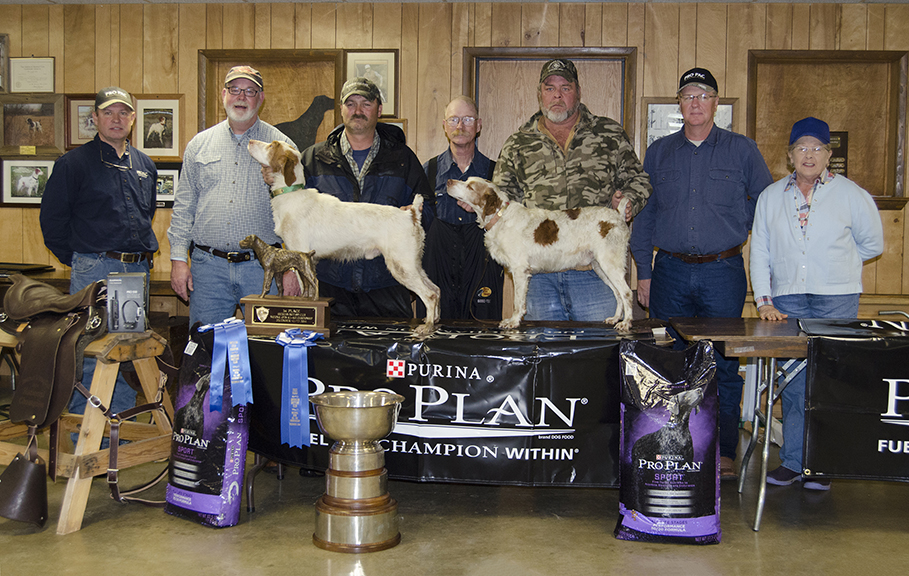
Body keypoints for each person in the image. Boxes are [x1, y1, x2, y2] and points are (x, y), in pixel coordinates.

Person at [629, 67, 774, 480]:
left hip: (722, 272)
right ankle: (669, 447)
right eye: (688, 95)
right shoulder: (659, 152)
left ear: (715, 103)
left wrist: (737, 224)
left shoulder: (742, 150)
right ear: (679, 103)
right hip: (669, 272)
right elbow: (645, 216)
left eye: (703, 95)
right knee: (667, 362)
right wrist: (644, 272)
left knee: (723, 363)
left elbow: (766, 202)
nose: (695, 102)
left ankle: (722, 450)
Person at [751, 117, 883, 490]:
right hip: (787, 300)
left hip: (837, 300)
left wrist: (836, 267)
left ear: (828, 155)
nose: (809, 155)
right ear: (790, 155)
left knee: (829, 383)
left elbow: (872, 243)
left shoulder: (852, 194)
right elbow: (760, 252)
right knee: (794, 385)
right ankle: (794, 462)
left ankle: (821, 465)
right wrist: (764, 301)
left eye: (816, 148)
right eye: (801, 148)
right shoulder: (771, 196)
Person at [493, 58, 651, 322]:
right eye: (550, 88)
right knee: (541, 347)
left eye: (565, 88)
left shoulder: (608, 134)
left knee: (600, 347)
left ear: (578, 92)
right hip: (539, 277)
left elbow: (639, 180)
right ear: (540, 94)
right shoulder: (518, 143)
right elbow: (502, 201)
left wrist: (629, 201)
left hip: (594, 274)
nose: (557, 95)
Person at [40, 86, 158, 421]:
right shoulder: (72, 164)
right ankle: (87, 431)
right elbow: (52, 222)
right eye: (108, 113)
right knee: (89, 351)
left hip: (135, 272)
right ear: (95, 118)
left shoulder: (145, 165)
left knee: (127, 351)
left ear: (133, 119)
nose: (116, 119)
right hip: (94, 268)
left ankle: (121, 428)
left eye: (123, 113)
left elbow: (145, 213)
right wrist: (82, 259)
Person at [167, 65, 296, 327]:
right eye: (235, 89)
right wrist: (178, 260)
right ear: (223, 95)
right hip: (208, 270)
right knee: (206, 345)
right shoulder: (199, 145)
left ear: (261, 98)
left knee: (267, 345)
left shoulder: (283, 147)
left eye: (250, 91)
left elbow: (295, 213)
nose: (241, 97)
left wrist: (292, 266)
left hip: (262, 269)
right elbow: (184, 207)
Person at [300, 77, 434, 319]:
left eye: (366, 104)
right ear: (341, 109)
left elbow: (428, 207)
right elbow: (296, 218)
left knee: (393, 344)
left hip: (387, 288)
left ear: (379, 110)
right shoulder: (312, 159)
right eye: (350, 104)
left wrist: (414, 218)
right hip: (331, 288)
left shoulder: (403, 159)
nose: (357, 111)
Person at [422, 95, 503, 320]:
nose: (460, 126)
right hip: (438, 269)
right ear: (444, 126)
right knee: (436, 334)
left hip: (483, 269)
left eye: (467, 119)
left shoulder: (496, 173)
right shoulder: (428, 171)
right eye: (453, 119)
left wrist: (483, 211)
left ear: (478, 125)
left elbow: (510, 225)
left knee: (483, 333)